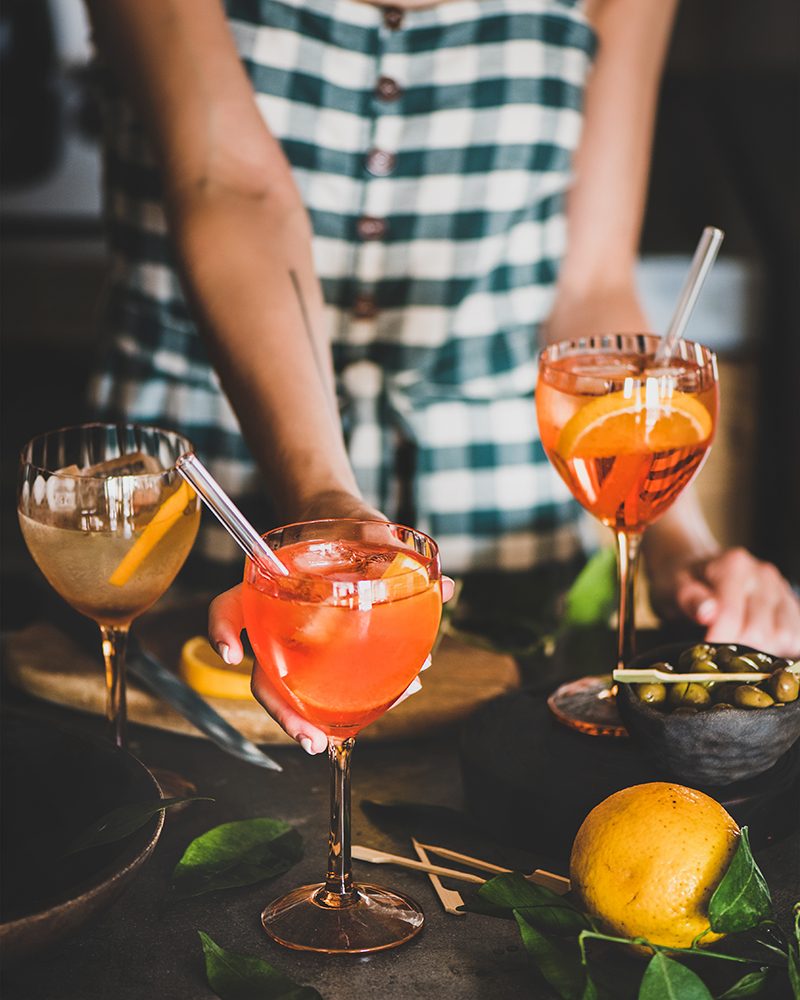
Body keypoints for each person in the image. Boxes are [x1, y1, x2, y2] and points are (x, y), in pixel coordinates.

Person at [85, 0, 800, 754]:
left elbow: (588, 285)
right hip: (190, 525)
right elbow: (226, 183)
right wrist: (323, 500)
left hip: (512, 575)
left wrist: (671, 534)